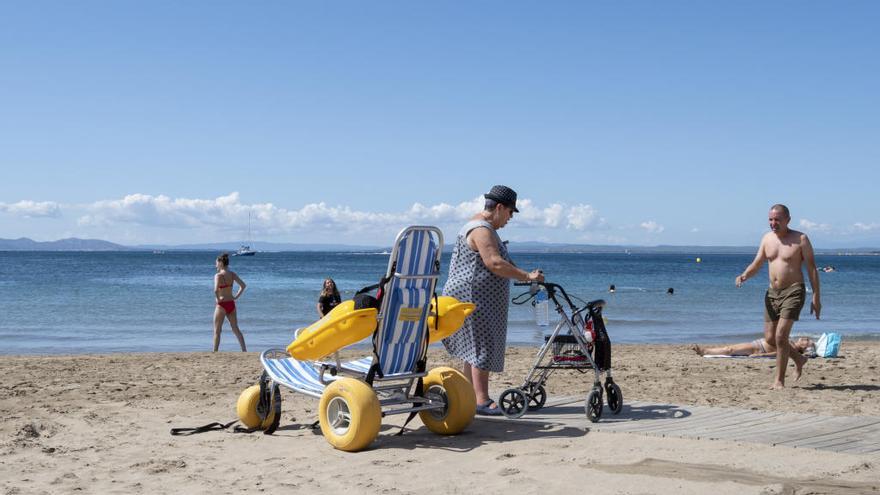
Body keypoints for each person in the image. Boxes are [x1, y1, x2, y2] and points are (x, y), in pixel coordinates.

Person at [442, 185, 544, 416]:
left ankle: (469, 396)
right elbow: (494, 263)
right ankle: (481, 400)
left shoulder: (479, 226)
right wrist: (527, 276)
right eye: (510, 213)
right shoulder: (481, 229)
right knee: (481, 346)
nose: (509, 219)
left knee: (473, 348)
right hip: (473, 296)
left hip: (473, 296)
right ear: (499, 208)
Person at [735, 204, 821, 389]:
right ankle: (798, 359)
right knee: (771, 338)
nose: (773, 223)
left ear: (788, 220)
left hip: (794, 290)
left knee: (781, 335)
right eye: (770, 219)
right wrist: (744, 275)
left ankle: (779, 380)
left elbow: (812, 269)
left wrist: (816, 296)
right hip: (772, 293)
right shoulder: (767, 239)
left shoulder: (801, 239)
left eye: (777, 219)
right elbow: (757, 263)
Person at [213, 253, 247, 352]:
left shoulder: (218, 275)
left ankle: (215, 351)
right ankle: (244, 350)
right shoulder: (232, 274)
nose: (215, 265)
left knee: (217, 331)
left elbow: (215, 290)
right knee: (235, 329)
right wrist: (236, 296)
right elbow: (243, 285)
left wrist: (218, 299)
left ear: (220, 263)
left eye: (216, 263)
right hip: (231, 303)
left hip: (222, 305)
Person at [692, 336, 815, 357]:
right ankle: (706, 351)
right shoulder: (792, 341)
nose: (805, 338)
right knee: (730, 348)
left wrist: (761, 355)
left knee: (730, 350)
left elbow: (778, 353)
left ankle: (704, 351)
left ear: (804, 348)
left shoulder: (792, 349)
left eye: (807, 341)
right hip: (757, 343)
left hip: (758, 348)